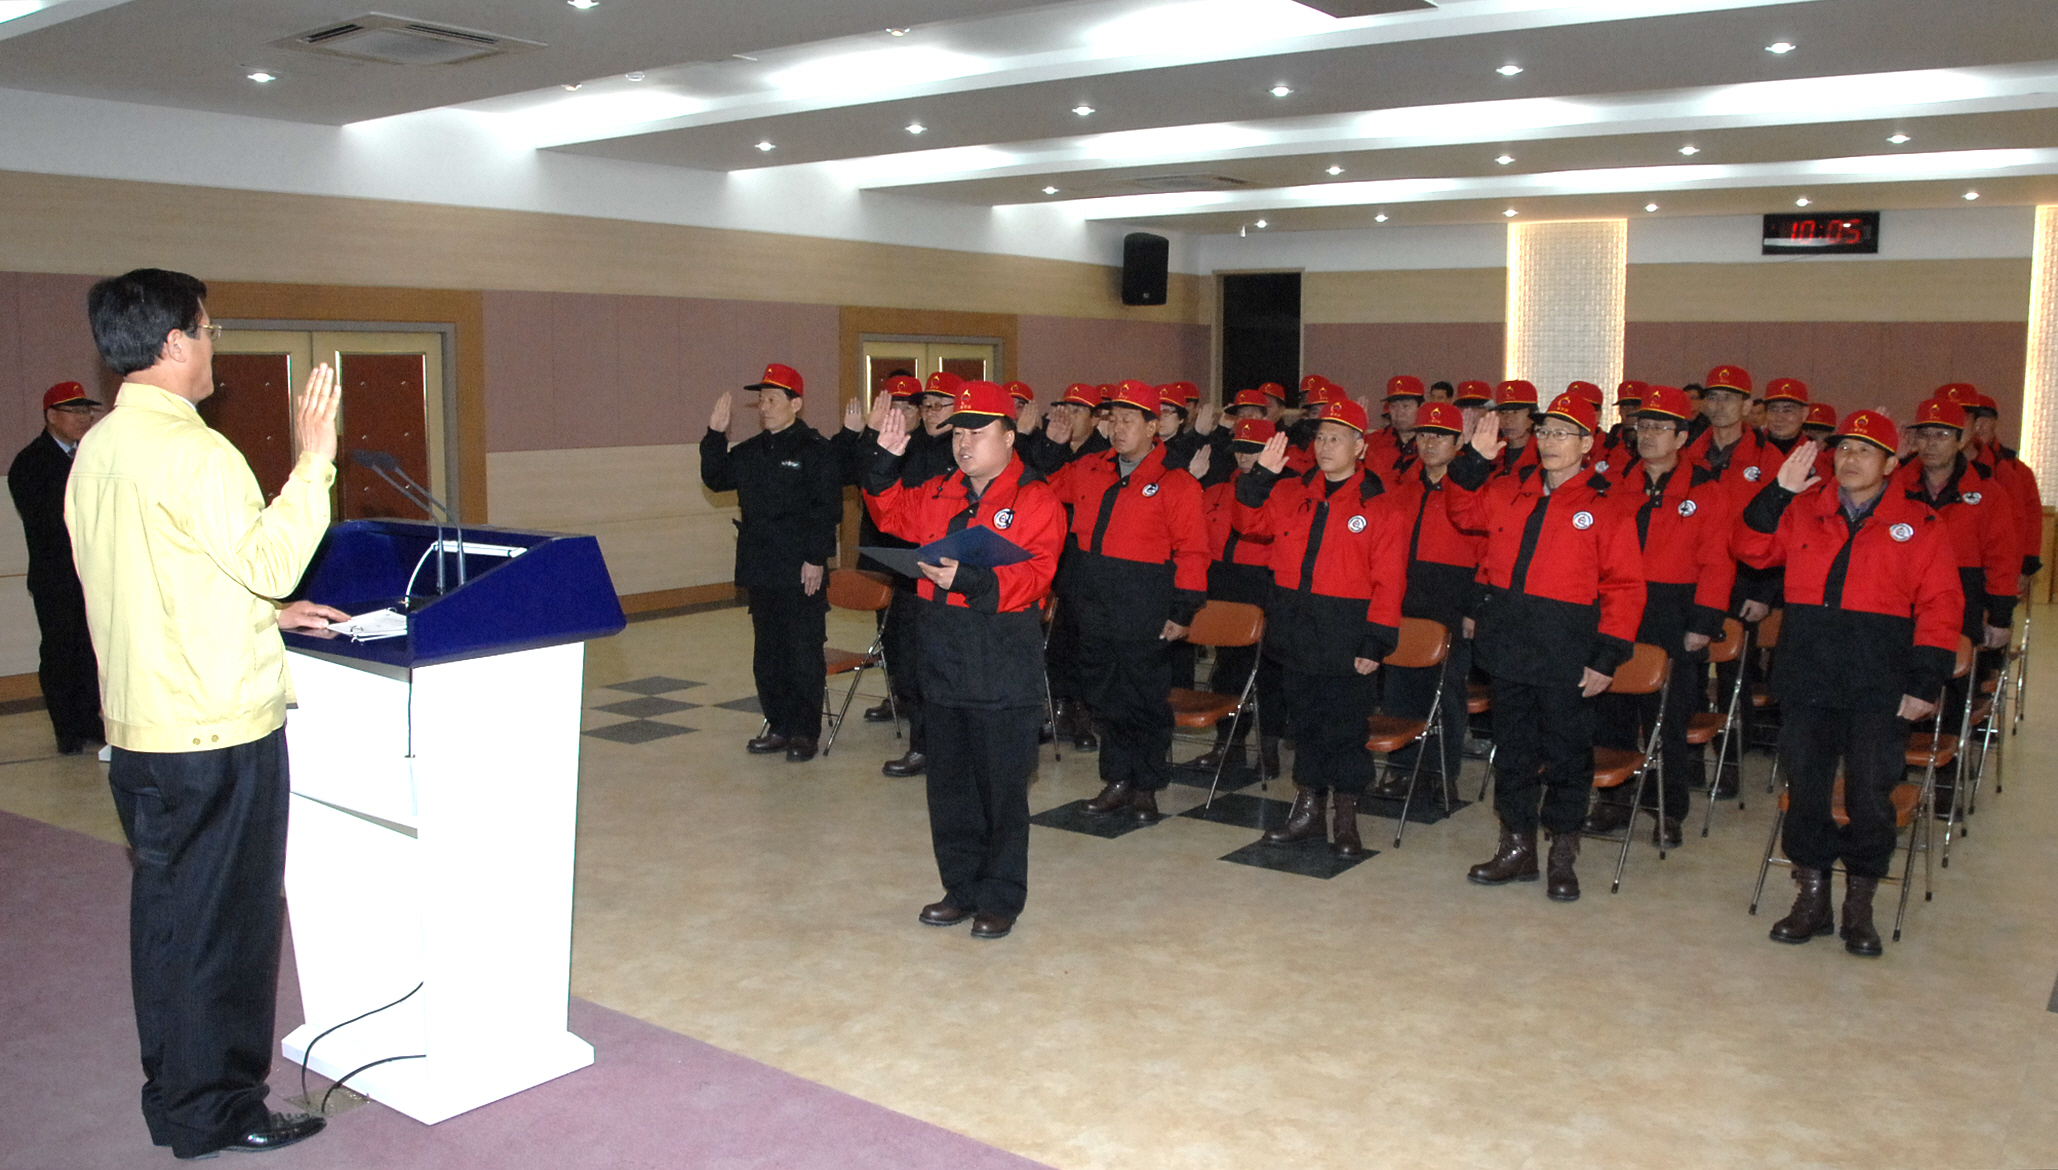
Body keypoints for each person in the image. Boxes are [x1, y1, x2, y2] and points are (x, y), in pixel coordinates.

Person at [68, 267, 346, 1159]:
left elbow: (154, 576)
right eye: (209, 328)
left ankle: (176, 1098)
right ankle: (222, 1110)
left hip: (142, 729)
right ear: (174, 341)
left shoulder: (99, 449)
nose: (215, 345)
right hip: (217, 730)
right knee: (227, 931)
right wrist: (314, 460)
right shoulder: (199, 453)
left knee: (169, 921)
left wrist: (264, 617)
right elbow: (271, 560)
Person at [1736, 410, 1962, 956]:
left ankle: (1859, 905)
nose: (1850, 459)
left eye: (1864, 450)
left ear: (1891, 462)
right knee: (1806, 790)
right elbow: (1749, 548)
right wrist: (1778, 491)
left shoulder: (1921, 524)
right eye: (1842, 449)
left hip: (1878, 682)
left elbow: (1941, 604)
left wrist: (1924, 682)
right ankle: (1811, 897)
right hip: (1808, 675)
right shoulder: (1803, 510)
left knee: (1869, 795)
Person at [864, 380, 1065, 940]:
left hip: (1000, 658)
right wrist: (883, 460)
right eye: (958, 433)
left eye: (978, 432)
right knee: (949, 787)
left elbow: (1037, 574)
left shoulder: (1035, 498)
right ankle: (961, 888)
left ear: (1010, 435)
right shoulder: (941, 489)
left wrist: (971, 579)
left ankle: (1000, 897)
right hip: (943, 654)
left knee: (1001, 790)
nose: (964, 443)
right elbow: (890, 513)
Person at [1447, 392, 1645, 901]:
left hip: (1567, 648)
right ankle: (1517, 845)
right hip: (1510, 643)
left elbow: (1625, 588)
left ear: (1587, 443)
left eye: (1563, 433)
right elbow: (1462, 510)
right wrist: (1474, 461)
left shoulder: (1607, 506)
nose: (1550, 441)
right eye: (1545, 431)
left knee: (1566, 755)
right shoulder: (1508, 490)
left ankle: (1563, 851)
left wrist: (1607, 656)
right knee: (1513, 752)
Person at [1233, 396, 1406, 856]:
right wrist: (1260, 478)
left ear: (1360, 446)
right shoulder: (1290, 492)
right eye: (1321, 437)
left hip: (1348, 630)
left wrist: (1376, 640)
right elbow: (1248, 524)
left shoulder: (1381, 507)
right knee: (1306, 723)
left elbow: (1389, 581)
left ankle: (1345, 816)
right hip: (1296, 624)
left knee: (1345, 728)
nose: (1325, 446)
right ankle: (1308, 808)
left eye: (1337, 438)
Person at [1043, 380, 1210, 822]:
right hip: (1093, 598)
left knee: (1144, 697)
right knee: (1104, 693)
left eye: (1128, 420)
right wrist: (1052, 446)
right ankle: (1117, 777)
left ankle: (1146, 784)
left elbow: (1193, 552)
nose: (1117, 429)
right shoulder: (1089, 468)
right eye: (1113, 419)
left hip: (1145, 600)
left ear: (1152, 426)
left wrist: (1183, 610)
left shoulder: (1175, 482)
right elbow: (1043, 488)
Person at [1586, 385, 1736, 845]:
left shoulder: (1707, 489)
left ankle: (1667, 809)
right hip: (1616, 606)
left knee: (1668, 718)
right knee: (1610, 709)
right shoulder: (1614, 484)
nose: (1647, 435)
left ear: (1682, 436)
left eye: (1659, 428)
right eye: (1643, 426)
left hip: (1675, 610)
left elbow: (1718, 562)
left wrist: (1703, 623)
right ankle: (1613, 799)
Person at [700, 362, 844, 761]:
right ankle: (778, 725)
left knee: (802, 653)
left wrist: (816, 558)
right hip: (761, 566)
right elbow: (716, 478)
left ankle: (804, 732)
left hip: (801, 568)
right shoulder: (751, 452)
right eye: (761, 400)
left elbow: (827, 509)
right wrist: (715, 434)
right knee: (769, 655)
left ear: (795, 404)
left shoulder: (815, 450)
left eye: (772, 399)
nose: (763, 407)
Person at [1370, 400, 1485, 799]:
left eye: (1440, 435)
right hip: (1404, 592)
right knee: (1400, 686)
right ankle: (1403, 770)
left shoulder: (1473, 489)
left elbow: (1487, 552)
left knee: (1447, 690)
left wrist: (1474, 608)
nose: (1430, 442)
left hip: (1453, 596)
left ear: (1459, 442)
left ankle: (1440, 773)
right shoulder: (1403, 485)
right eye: (1423, 434)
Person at [9, 381, 106, 754]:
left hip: (92, 574)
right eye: (75, 411)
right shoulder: (31, 462)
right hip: (56, 577)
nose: (85, 418)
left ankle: (90, 720)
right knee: (61, 651)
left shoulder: (91, 456)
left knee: (90, 650)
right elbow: (49, 521)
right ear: (51, 416)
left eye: (88, 411)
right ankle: (67, 729)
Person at [1188, 417, 1282, 778]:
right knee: (1228, 670)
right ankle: (1229, 743)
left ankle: (1269, 747)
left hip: (1262, 584)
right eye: (1239, 449)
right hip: (1221, 581)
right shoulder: (1216, 490)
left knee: (1268, 672)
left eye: (1252, 451)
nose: (1243, 457)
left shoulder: (1281, 492)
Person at [1490, 379, 1542, 477]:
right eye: (1503, 412)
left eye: (1515, 412)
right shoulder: (1490, 456)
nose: (1508, 419)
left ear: (1532, 417)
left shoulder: (1544, 457)